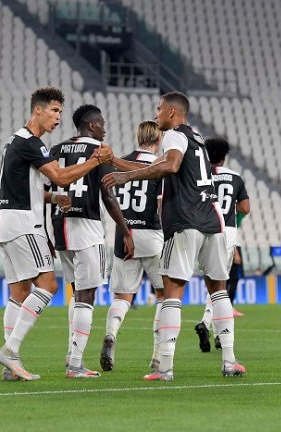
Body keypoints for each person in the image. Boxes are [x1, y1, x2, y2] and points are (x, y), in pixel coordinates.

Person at [104, 91, 246, 380]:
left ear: (171, 112)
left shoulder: (173, 136)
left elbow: (169, 166)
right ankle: (229, 361)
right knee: (218, 289)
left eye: (158, 109)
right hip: (213, 220)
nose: (156, 114)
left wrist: (124, 176)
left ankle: (165, 366)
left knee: (172, 291)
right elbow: (160, 168)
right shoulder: (197, 138)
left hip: (185, 221)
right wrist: (119, 163)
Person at [0, 88, 113, 381]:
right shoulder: (33, 143)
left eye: (60, 112)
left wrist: (52, 199)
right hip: (25, 224)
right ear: (37, 110)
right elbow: (60, 177)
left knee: (19, 292)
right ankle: (10, 351)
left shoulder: (14, 141)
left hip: (6, 222)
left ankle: (12, 364)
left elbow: (22, 185)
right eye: (53, 111)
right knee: (48, 286)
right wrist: (96, 161)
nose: (58, 117)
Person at [50, 104, 133, 379]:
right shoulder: (99, 153)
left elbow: (44, 189)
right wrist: (126, 230)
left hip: (59, 226)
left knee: (75, 291)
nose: (105, 128)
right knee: (87, 295)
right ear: (93, 125)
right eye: (103, 123)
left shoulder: (56, 149)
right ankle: (75, 363)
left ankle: (72, 351)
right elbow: (108, 197)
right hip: (86, 227)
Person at [100, 120, 164, 372]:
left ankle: (111, 333)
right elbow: (160, 205)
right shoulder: (160, 165)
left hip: (124, 234)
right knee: (163, 295)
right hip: (152, 233)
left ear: (138, 137)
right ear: (158, 140)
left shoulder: (120, 162)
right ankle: (159, 355)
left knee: (122, 297)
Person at [194, 137, 249, 353]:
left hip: (204, 228)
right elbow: (245, 207)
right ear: (224, 157)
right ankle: (207, 324)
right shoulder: (235, 177)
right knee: (220, 285)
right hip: (227, 231)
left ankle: (216, 333)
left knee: (212, 282)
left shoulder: (200, 175)